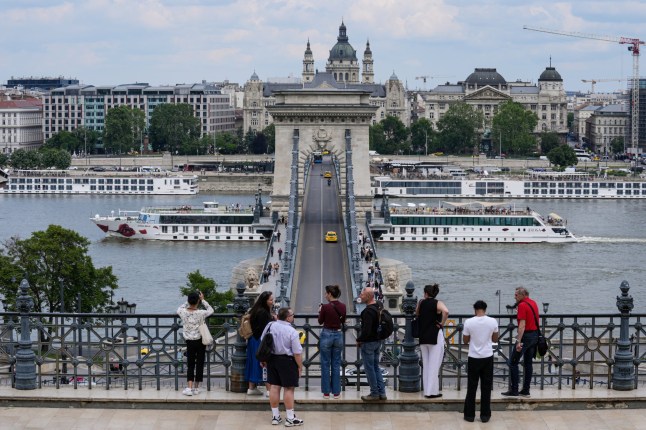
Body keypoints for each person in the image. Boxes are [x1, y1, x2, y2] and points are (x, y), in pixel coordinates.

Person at [262, 307, 303, 426]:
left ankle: (276, 417)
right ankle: (290, 418)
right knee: (289, 388)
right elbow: (297, 352)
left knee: (274, 387)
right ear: (288, 317)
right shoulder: (292, 331)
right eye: (292, 315)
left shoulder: (270, 325)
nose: (293, 316)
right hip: (287, 361)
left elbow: (263, 341)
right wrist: (300, 366)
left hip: (272, 359)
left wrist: (263, 359)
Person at [463, 300, 499, 423]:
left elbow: (465, 341)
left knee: (472, 386)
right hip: (487, 356)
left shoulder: (468, 322)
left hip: (473, 356)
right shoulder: (492, 321)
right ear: (485, 309)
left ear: (475, 310)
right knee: (486, 387)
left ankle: (469, 415)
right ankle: (485, 415)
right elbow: (495, 339)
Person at [502, 286, 539, 397]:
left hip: (525, 337)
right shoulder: (533, 303)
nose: (515, 297)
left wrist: (518, 341)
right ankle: (526, 390)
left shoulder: (522, 305)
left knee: (513, 363)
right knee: (528, 363)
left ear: (523, 295)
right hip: (534, 336)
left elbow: (522, 325)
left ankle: (514, 390)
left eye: (516, 295)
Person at [177, 291, 213, 396]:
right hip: (201, 341)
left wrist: (187, 302)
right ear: (198, 301)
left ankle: (189, 387)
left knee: (190, 364)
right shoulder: (201, 313)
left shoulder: (183, 312)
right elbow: (211, 310)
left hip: (189, 342)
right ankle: (196, 388)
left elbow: (179, 309)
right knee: (200, 364)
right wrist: (203, 300)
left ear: (188, 301)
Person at [417, 283, 449, 399]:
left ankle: (430, 390)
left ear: (426, 293)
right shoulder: (437, 303)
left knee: (426, 364)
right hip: (435, 336)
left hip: (423, 337)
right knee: (434, 364)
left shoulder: (421, 302)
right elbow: (446, 311)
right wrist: (441, 324)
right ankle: (430, 392)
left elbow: (417, 313)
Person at [356, 287, 386, 401]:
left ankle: (374, 393)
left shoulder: (367, 311)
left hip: (368, 343)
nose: (360, 296)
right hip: (378, 341)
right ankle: (382, 393)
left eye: (362, 294)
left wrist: (359, 340)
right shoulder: (378, 307)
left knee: (369, 369)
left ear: (368, 296)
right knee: (376, 367)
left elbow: (366, 330)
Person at [318, 285, 346, 399]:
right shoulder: (343, 306)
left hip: (326, 335)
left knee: (325, 364)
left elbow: (320, 321)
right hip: (338, 335)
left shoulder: (325, 307)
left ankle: (326, 393)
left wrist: (320, 311)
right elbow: (343, 320)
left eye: (326, 293)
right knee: (336, 364)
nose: (325, 295)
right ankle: (336, 393)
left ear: (330, 294)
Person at [245, 291, 275, 396]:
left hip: (253, 340)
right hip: (260, 341)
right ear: (265, 301)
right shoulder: (263, 313)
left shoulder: (256, 310)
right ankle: (269, 390)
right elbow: (265, 329)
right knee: (264, 363)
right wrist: (273, 319)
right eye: (271, 300)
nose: (272, 302)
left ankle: (251, 388)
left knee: (253, 362)